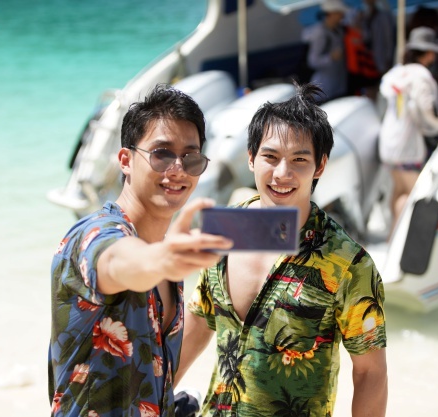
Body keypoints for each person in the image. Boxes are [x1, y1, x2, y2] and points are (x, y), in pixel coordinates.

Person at [176, 83, 388, 417]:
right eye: (270, 157)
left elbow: (370, 373)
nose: (282, 174)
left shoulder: (348, 263)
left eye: (299, 160)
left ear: (320, 166)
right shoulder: (228, 229)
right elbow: (199, 322)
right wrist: (149, 402)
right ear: (251, 159)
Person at [48, 84, 233, 417]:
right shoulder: (93, 235)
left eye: (190, 158)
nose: (178, 169)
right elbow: (116, 261)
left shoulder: (166, 254)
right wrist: (161, 259)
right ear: (126, 160)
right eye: (162, 154)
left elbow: (152, 369)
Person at [379, 27, 438, 232]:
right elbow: (429, 111)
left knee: (399, 191)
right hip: (406, 146)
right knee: (411, 196)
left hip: (388, 142)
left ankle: (390, 237)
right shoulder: (421, 76)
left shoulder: (398, 72)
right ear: (428, 53)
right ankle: (397, 240)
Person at [307, 0, 349, 102]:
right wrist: (331, 57)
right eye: (339, 13)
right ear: (331, 14)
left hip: (338, 86)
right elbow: (313, 61)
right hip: (324, 90)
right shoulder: (320, 33)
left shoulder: (339, 30)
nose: (342, 16)